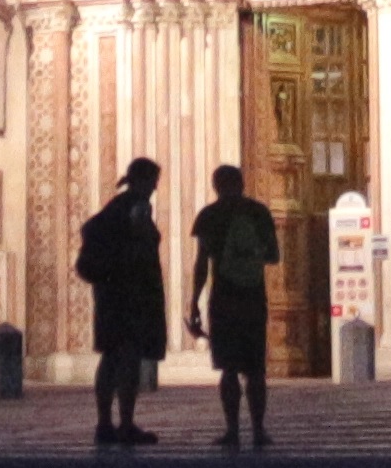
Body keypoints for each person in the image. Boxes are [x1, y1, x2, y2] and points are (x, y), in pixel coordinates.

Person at [74, 157, 167, 448]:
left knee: (111, 358)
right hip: (131, 297)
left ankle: (104, 423)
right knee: (128, 361)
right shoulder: (137, 208)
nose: (154, 186)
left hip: (109, 295)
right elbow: (139, 249)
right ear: (142, 180)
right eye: (152, 181)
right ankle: (125, 424)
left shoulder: (113, 207)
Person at [186, 163, 280, 448]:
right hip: (252, 297)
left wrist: (194, 302)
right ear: (242, 183)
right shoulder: (259, 213)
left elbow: (202, 262)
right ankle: (259, 430)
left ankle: (232, 430)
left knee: (228, 367)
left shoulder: (209, 215)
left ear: (216, 186)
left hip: (224, 299)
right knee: (255, 369)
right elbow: (274, 256)